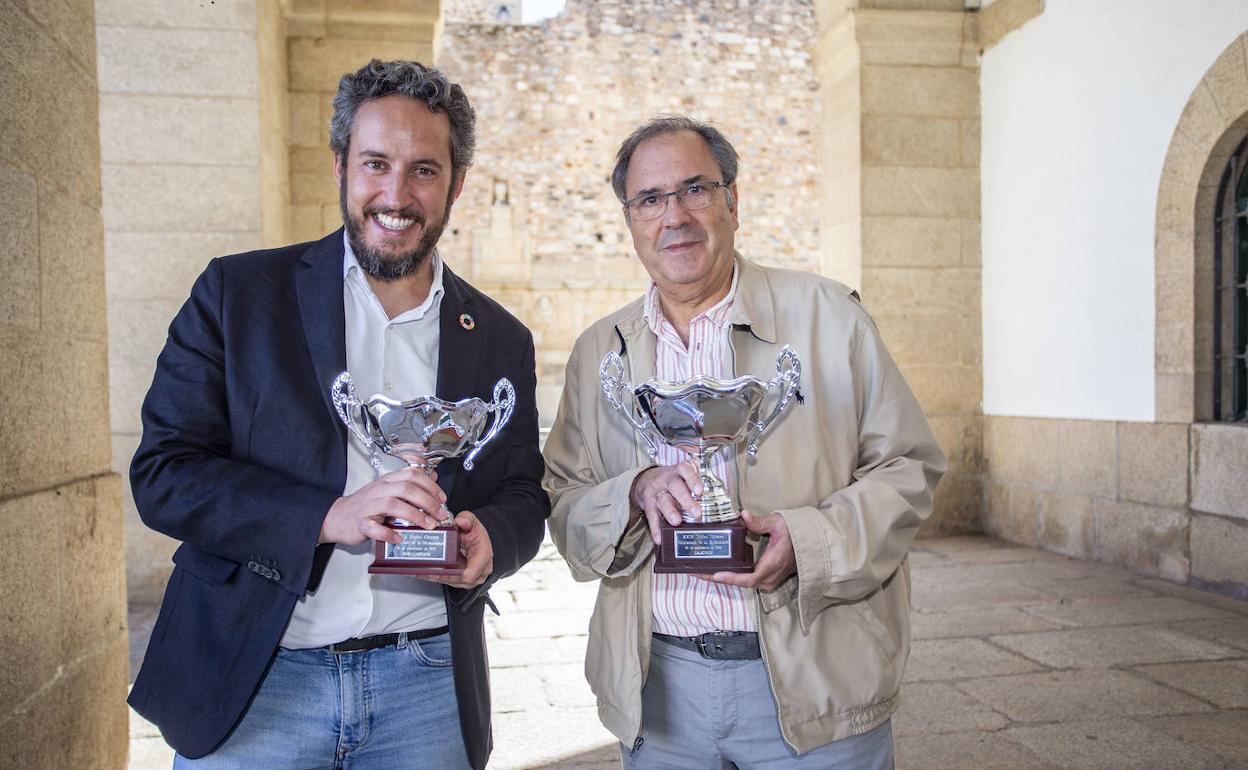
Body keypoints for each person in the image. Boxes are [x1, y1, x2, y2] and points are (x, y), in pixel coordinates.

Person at [128, 60, 548, 770]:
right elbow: (164, 474)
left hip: (426, 690)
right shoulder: (237, 295)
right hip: (256, 685)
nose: (396, 193)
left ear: (457, 183)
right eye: (376, 163)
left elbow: (524, 495)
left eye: (423, 170)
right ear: (340, 167)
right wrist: (328, 517)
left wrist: (489, 544)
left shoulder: (502, 337)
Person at [544, 116, 946, 768]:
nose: (674, 215)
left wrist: (810, 541)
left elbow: (909, 465)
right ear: (630, 219)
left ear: (732, 199)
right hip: (658, 694)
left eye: (695, 189)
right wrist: (635, 493)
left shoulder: (828, 318)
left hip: (816, 686)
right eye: (650, 199)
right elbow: (563, 499)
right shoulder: (600, 353)